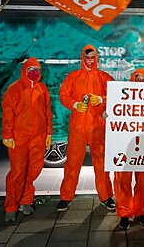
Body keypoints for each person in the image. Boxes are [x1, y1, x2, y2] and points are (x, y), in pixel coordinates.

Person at [57, 45, 116, 212]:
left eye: (93, 57)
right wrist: (74, 104)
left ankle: (105, 196)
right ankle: (66, 196)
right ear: (82, 58)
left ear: (97, 58)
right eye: (87, 57)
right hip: (78, 127)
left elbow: (116, 95)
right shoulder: (73, 77)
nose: (90, 60)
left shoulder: (104, 77)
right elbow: (63, 95)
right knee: (73, 162)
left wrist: (102, 99)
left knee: (102, 163)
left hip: (98, 126)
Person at [2, 57, 53, 222]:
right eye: (31, 70)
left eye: (37, 70)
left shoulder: (42, 89)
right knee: (17, 173)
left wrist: (49, 133)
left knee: (34, 169)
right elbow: (8, 113)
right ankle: (11, 206)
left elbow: (47, 112)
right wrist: (7, 135)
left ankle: (25, 200)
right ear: (25, 71)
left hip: (38, 137)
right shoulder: (14, 89)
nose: (35, 73)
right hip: (19, 137)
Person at [113, 68, 144, 230]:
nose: (141, 82)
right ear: (132, 80)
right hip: (125, 145)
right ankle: (124, 212)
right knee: (123, 179)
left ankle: (141, 211)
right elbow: (113, 111)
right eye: (137, 78)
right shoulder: (122, 98)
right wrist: (107, 115)